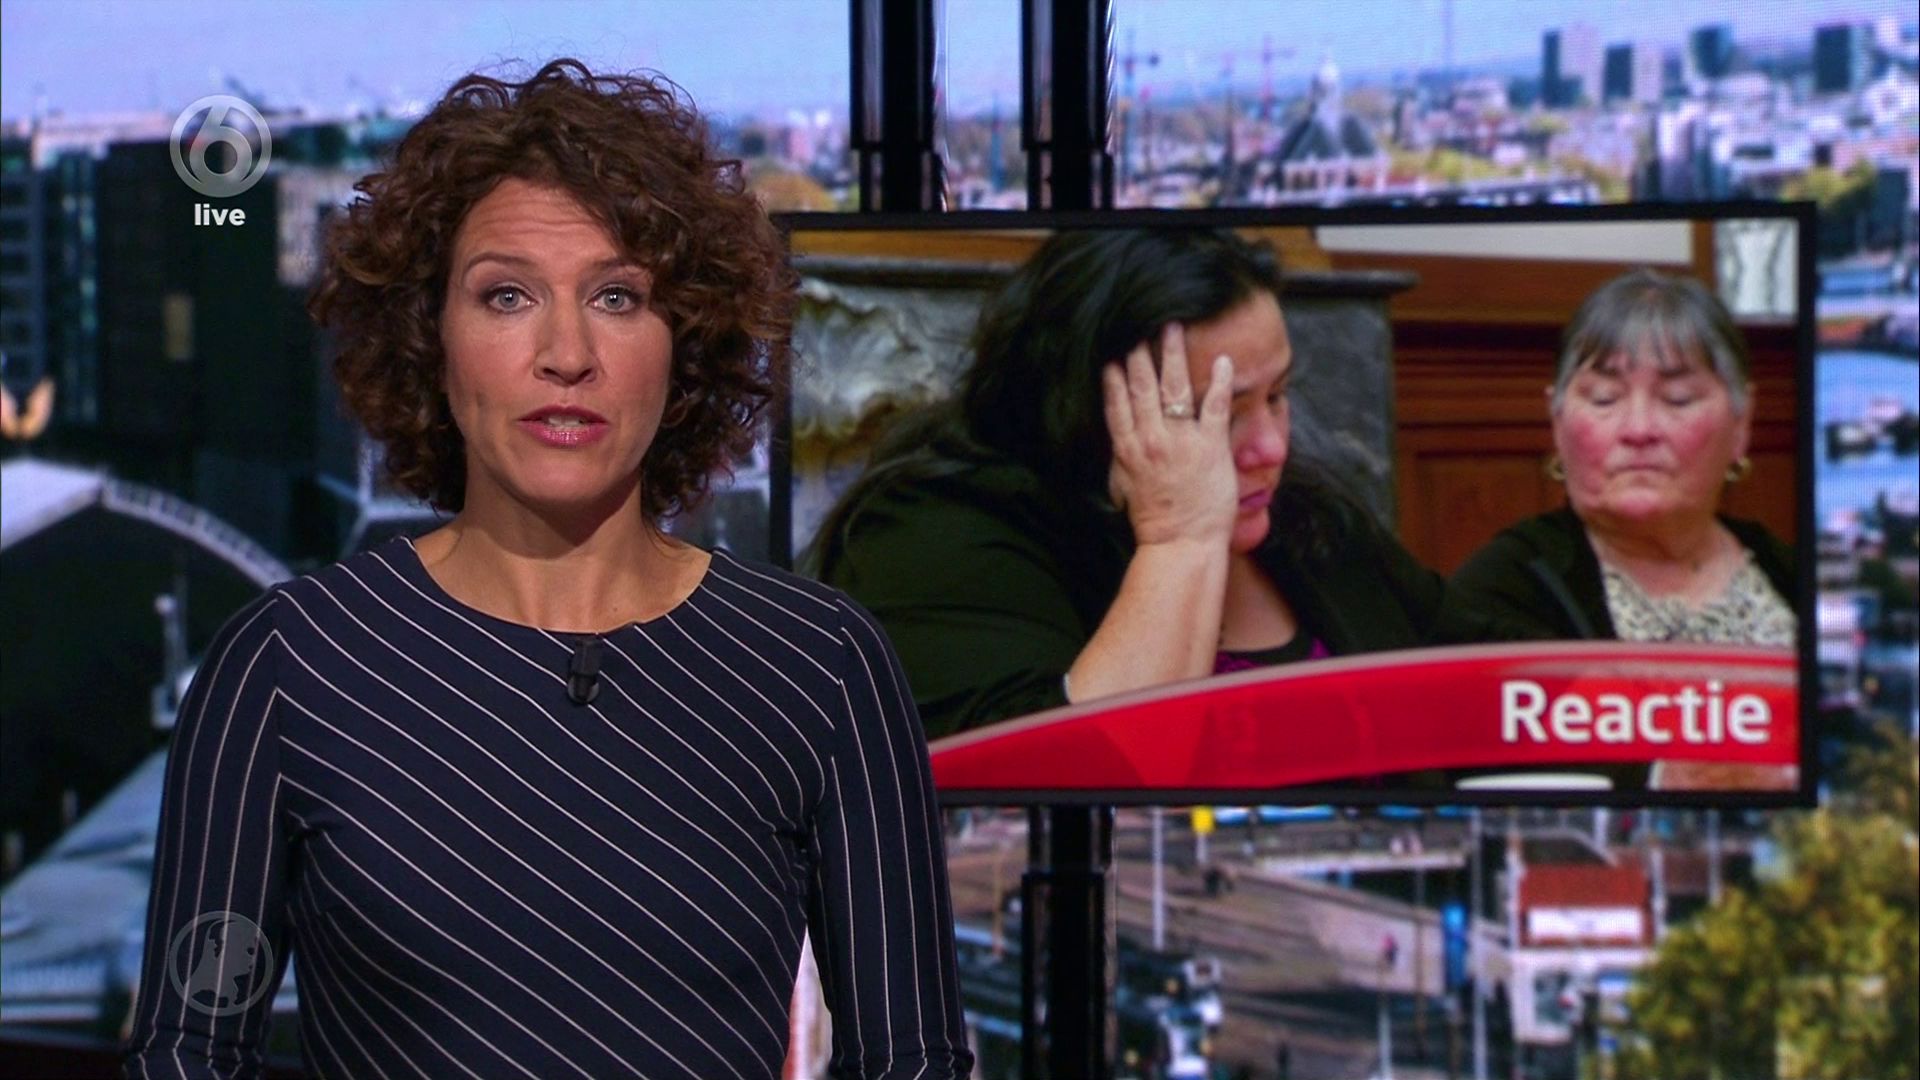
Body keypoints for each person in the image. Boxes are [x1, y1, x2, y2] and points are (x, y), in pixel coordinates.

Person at [126, 59, 970, 1079]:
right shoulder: (288, 669)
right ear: (429, 338)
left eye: (617, 296)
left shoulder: (818, 667)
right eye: (507, 295)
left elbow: (916, 1061)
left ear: (686, 344)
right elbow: (186, 1056)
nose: (566, 352)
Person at [810, 228, 1506, 744]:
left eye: (1277, 396)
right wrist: (1180, 538)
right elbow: (1071, 789)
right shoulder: (930, 537)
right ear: (1086, 410)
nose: (1272, 448)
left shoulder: (1310, 521)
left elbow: (1489, 692)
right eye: (1216, 415)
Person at [1451, 268, 1795, 789]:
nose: (1638, 430)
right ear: (1557, 423)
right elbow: (1471, 760)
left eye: (1677, 399)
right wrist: (1663, 778)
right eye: (1604, 399)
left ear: (1741, 425)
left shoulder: (1791, 571)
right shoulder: (1500, 592)